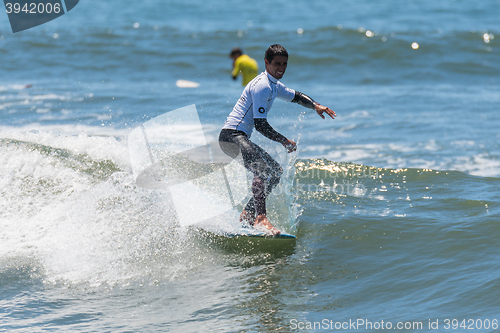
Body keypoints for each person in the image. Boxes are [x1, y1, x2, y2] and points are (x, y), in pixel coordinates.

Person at [219, 44, 336, 235]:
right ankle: (261, 218)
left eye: (285, 64)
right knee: (263, 170)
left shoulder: (273, 84)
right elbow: (260, 125)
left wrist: (315, 105)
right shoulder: (262, 86)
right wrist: (284, 140)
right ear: (267, 62)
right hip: (230, 136)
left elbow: (296, 96)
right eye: (277, 64)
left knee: (275, 172)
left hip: (237, 136)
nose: (281, 68)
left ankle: (248, 213)